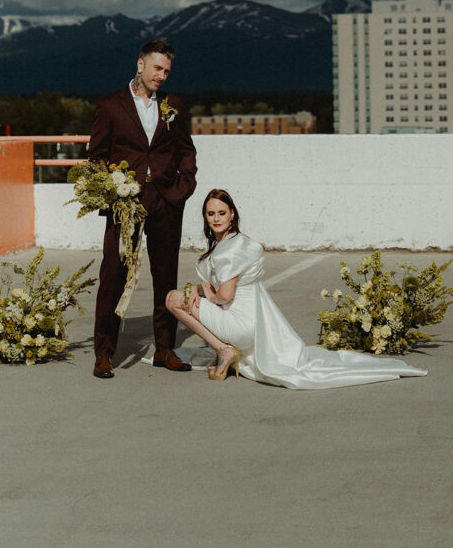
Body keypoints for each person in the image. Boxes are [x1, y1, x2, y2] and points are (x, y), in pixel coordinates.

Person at [165, 189, 428, 389]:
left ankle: (224, 349)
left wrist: (205, 295)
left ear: (233, 214)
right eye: (211, 214)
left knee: (173, 299)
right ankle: (224, 347)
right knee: (184, 296)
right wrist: (201, 292)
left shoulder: (231, 249)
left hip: (239, 325)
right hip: (250, 324)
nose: (216, 219)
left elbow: (225, 295)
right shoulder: (237, 242)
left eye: (222, 213)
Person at [88, 38, 197, 379]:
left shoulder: (173, 105)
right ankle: (104, 354)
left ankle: (165, 349)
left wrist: (184, 186)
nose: (161, 76)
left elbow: (185, 150)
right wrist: (114, 191)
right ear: (140, 64)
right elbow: (97, 158)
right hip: (126, 204)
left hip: (166, 200)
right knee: (114, 276)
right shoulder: (109, 105)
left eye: (166, 70)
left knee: (166, 277)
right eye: (156, 68)